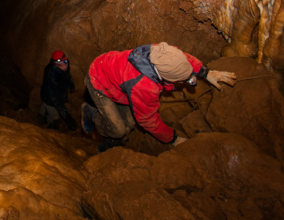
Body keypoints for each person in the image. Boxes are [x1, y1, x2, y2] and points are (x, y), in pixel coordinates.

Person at [81, 43, 236, 152]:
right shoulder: (145, 86)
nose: (184, 83)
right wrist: (173, 139)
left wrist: (206, 73)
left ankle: (108, 144)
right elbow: (147, 120)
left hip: (118, 79)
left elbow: (182, 59)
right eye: (181, 81)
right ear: (166, 78)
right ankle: (90, 112)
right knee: (119, 130)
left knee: (129, 123)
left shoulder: (161, 53)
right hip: (99, 81)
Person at [38, 50, 78, 130]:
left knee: (46, 105)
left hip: (50, 93)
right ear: (56, 65)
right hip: (49, 97)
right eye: (61, 65)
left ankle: (40, 117)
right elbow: (55, 99)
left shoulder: (64, 63)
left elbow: (67, 74)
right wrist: (67, 117)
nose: (65, 66)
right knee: (54, 117)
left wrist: (71, 83)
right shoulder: (51, 75)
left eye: (66, 62)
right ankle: (50, 130)